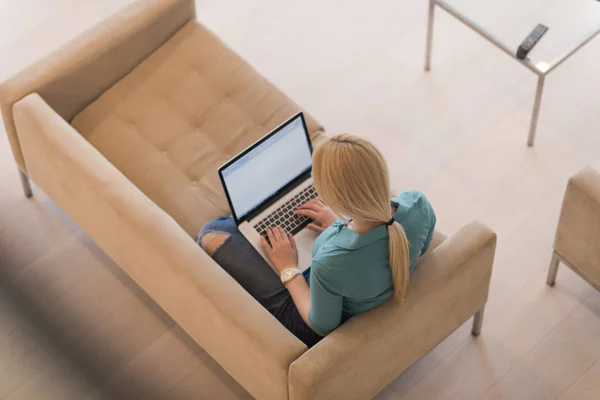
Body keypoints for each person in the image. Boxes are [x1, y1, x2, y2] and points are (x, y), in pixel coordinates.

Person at [198, 134, 436, 347]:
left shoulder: (330, 261)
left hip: (307, 313)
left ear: (333, 197)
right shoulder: (417, 204)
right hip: (345, 279)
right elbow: (421, 248)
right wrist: (343, 223)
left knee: (213, 231)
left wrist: (288, 268)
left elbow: (322, 325)